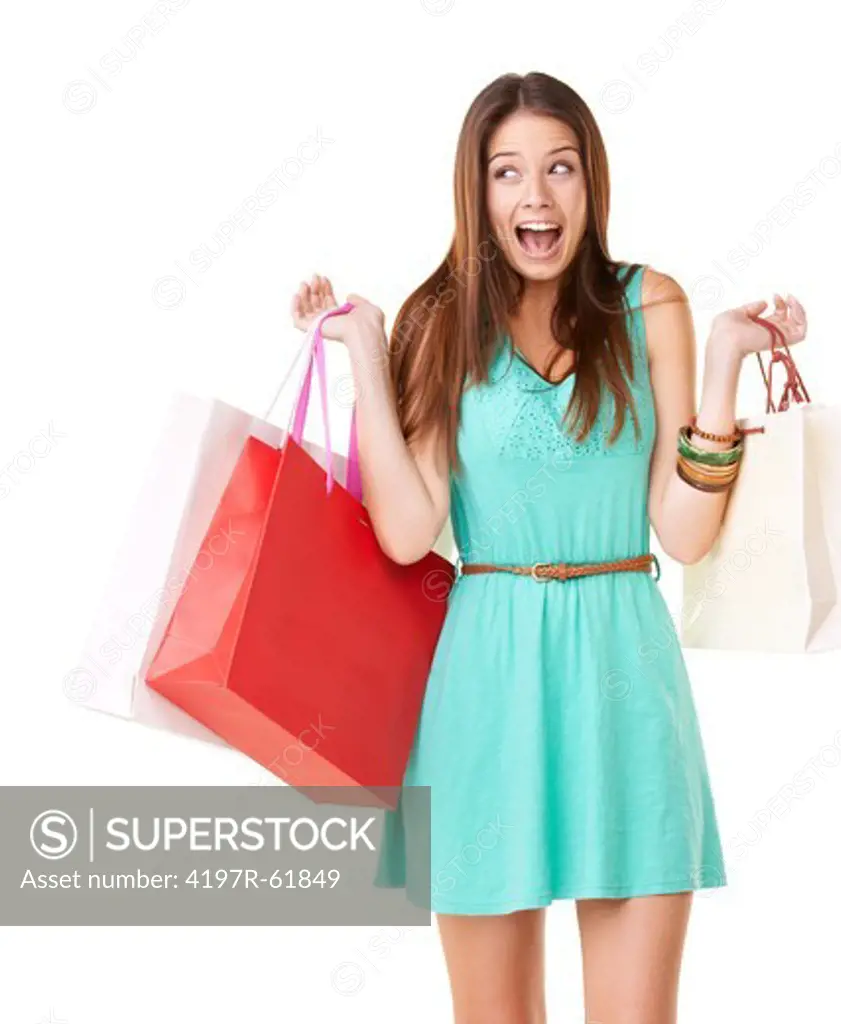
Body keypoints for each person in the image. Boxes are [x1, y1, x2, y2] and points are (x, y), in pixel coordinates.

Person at [291, 70, 806, 1024]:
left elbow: (685, 532)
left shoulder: (648, 304)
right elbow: (407, 531)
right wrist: (365, 350)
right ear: (477, 193)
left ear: (591, 183)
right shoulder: (444, 321)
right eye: (508, 173)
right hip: (487, 691)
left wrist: (728, 364)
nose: (537, 196)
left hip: (625, 680)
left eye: (561, 169)